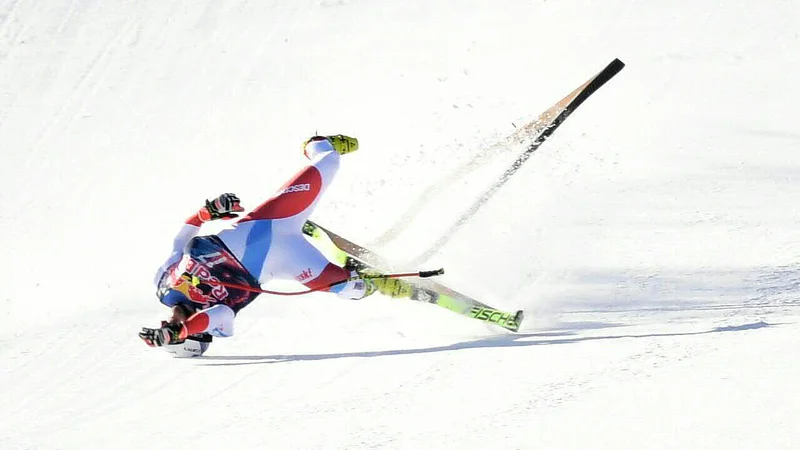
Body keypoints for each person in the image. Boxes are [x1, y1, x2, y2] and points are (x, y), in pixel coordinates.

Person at [138, 135, 411, 355]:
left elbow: (179, 243)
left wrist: (206, 214)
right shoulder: (218, 322)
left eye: (169, 327)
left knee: (329, 158)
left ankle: (314, 144)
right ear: (195, 333)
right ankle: (380, 283)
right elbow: (215, 314)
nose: (170, 323)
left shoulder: (163, 288)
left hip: (265, 222)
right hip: (288, 260)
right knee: (352, 288)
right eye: (176, 331)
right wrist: (181, 332)